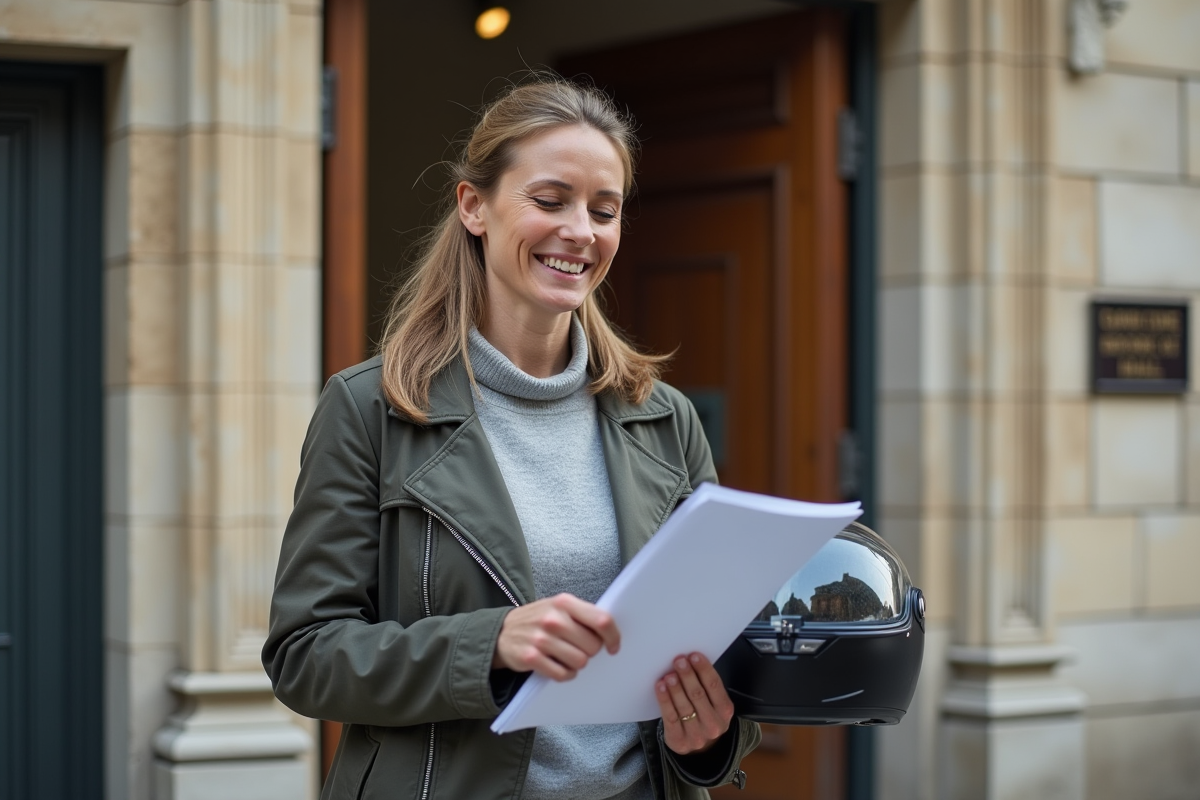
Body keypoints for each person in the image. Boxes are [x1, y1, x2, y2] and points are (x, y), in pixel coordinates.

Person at [262, 77, 760, 800]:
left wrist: (713, 737)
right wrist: (486, 645)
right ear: (475, 207)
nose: (581, 232)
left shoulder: (664, 417)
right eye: (550, 201)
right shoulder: (370, 408)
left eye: (605, 210)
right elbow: (305, 655)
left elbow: (719, 643)